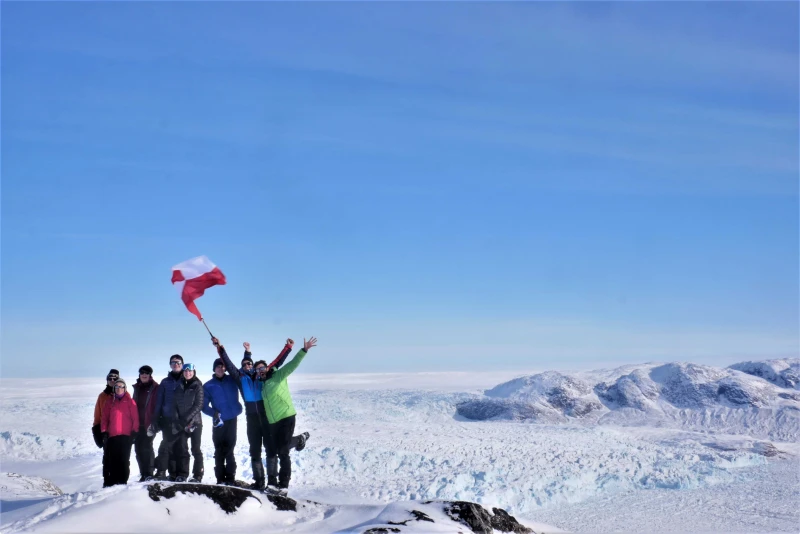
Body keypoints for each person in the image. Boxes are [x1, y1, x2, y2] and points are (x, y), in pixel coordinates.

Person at [213, 337, 293, 490]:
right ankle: (259, 481)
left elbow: (277, 362)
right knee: (254, 450)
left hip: (266, 417)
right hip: (252, 419)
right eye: (244, 364)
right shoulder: (239, 377)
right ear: (242, 367)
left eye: (249, 363)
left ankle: (272, 482)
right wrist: (220, 348)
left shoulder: (260, 375)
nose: (247, 365)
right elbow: (228, 364)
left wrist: (287, 348)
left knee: (270, 449)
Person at [261, 336, 316, 491]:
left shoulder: (277, 376)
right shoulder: (262, 385)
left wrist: (303, 350)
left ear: (267, 368)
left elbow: (291, 365)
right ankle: (299, 439)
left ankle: (283, 486)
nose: (260, 371)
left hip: (286, 416)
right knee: (278, 449)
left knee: (283, 452)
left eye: (262, 368)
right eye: (258, 369)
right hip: (273, 422)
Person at [202, 357, 243, 484]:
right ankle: (220, 478)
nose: (220, 368)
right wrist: (214, 414)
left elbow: (243, 369)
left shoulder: (232, 380)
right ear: (214, 369)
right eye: (218, 366)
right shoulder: (208, 385)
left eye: (222, 366)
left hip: (232, 419)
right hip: (218, 422)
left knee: (230, 449)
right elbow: (203, 406)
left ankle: (230, 478)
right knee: (219, 449)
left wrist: (247, 354)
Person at [100, 378, 139, 486]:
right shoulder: (109, 402)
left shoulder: (130, 402)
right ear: (114, 388)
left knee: (124, 460)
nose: (119, 389)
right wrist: (104, 431)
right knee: (113, 460)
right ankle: (113, 481)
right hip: (113, 436)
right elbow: (105, 418)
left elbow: (135, 418)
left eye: (121, 386)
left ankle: (123, 481)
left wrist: (135, 431)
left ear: (125, 388)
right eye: (116, 387)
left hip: (126, 436)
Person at [151, 354, 184, 480]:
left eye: (178, 362)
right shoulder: (165, 382)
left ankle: (179, 474)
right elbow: (159, 401)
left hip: (181, 420)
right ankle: (166, 472)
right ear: (170, 365)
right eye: (173, 362)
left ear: (182, 364)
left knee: (181, 448)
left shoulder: (186, 380)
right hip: (167, 419)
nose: (176, 364)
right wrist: (155, 418)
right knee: (166, 447)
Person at [171, 363, 204, 482]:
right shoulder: (178, 386)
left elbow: (198, 405)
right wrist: (177, 419)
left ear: (194, 372)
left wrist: (185, 419)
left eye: (190, 371)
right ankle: (183, 474)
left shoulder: (197, 386)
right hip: (181, 423)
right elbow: (174, 404)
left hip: (195, 423)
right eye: (185, 371)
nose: (187, 373)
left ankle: (197, 475)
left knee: (195, 449)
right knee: (182, 449)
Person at [131, 365, 160, 482]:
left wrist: (157, 422)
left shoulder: (156, 388)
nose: (144, 375)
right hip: (138, 424)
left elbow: (159, 405)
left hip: (150, 423)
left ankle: (149, 473)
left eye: (146, 373)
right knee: (138, 449)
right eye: (142, 373)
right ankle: (143, 473)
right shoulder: (137, 387)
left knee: (147, 447)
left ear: (150, 375)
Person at [93, 369, 119, 487]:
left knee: (121, 458)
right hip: (106, 432)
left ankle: (119, 481)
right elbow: (97, 415)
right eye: (110, 378)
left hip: (120, 432)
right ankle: (107, 482)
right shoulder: (102, 396)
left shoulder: (122, 395)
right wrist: (96, 432)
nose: (112, 381)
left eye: (115, 379)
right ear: (107, 380)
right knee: (107, 458)